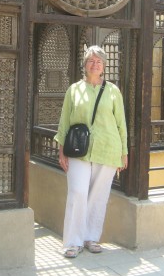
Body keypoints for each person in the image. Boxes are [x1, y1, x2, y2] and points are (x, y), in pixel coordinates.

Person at [54, 45, 128, 258]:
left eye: (99, 61)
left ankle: (90, 237)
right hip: (79, 150)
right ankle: (72, 241)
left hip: (108, 149)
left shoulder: (113, 91)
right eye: (91, 61)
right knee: (77, 192)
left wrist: (124, 152)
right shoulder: (74, 90)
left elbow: (121, 123)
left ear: (104, 66)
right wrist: (61, 151)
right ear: (85, 65)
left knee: (98, 196)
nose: (95, 64)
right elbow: (64, 122)